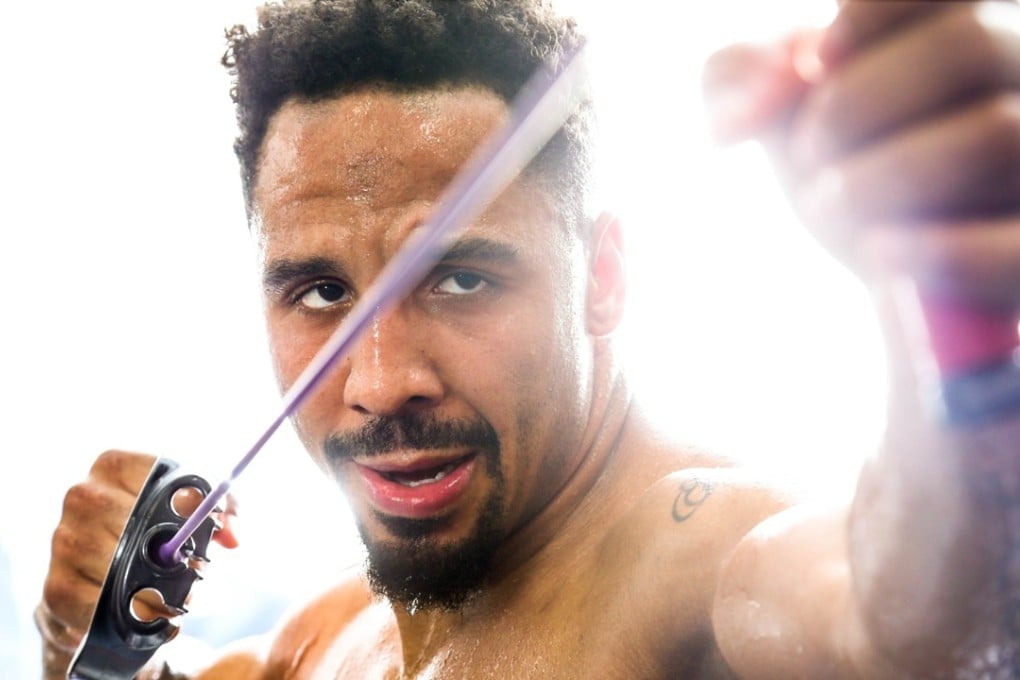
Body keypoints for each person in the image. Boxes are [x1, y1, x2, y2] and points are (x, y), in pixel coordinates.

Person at [36, 0, 1020, 677]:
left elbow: (918, 623)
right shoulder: (318, 642)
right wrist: (92, 646)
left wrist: (959, 337)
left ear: (603, 278)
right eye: (322, 290)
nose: (379, 381)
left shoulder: (692, 561)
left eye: (462, 278)